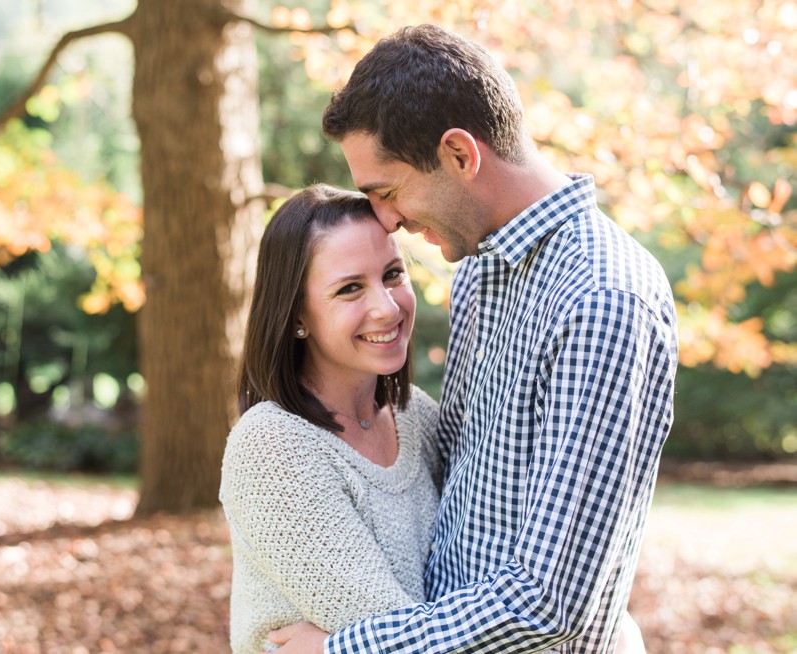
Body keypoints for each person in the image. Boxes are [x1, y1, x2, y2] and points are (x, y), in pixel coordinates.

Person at [267, 24, 678, 654]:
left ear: (460, 154)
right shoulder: (485, 266)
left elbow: (549, 602)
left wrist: (348, 648)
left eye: (388, 189)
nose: (385, 217)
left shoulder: (602, 299)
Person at [219, 184, 443, 654]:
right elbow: (393, 632)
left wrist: (335, 648)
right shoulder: (272, 447)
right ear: (297, 314)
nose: (386, 307)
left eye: (393, 274)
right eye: (350, 288)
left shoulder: (417, 416)